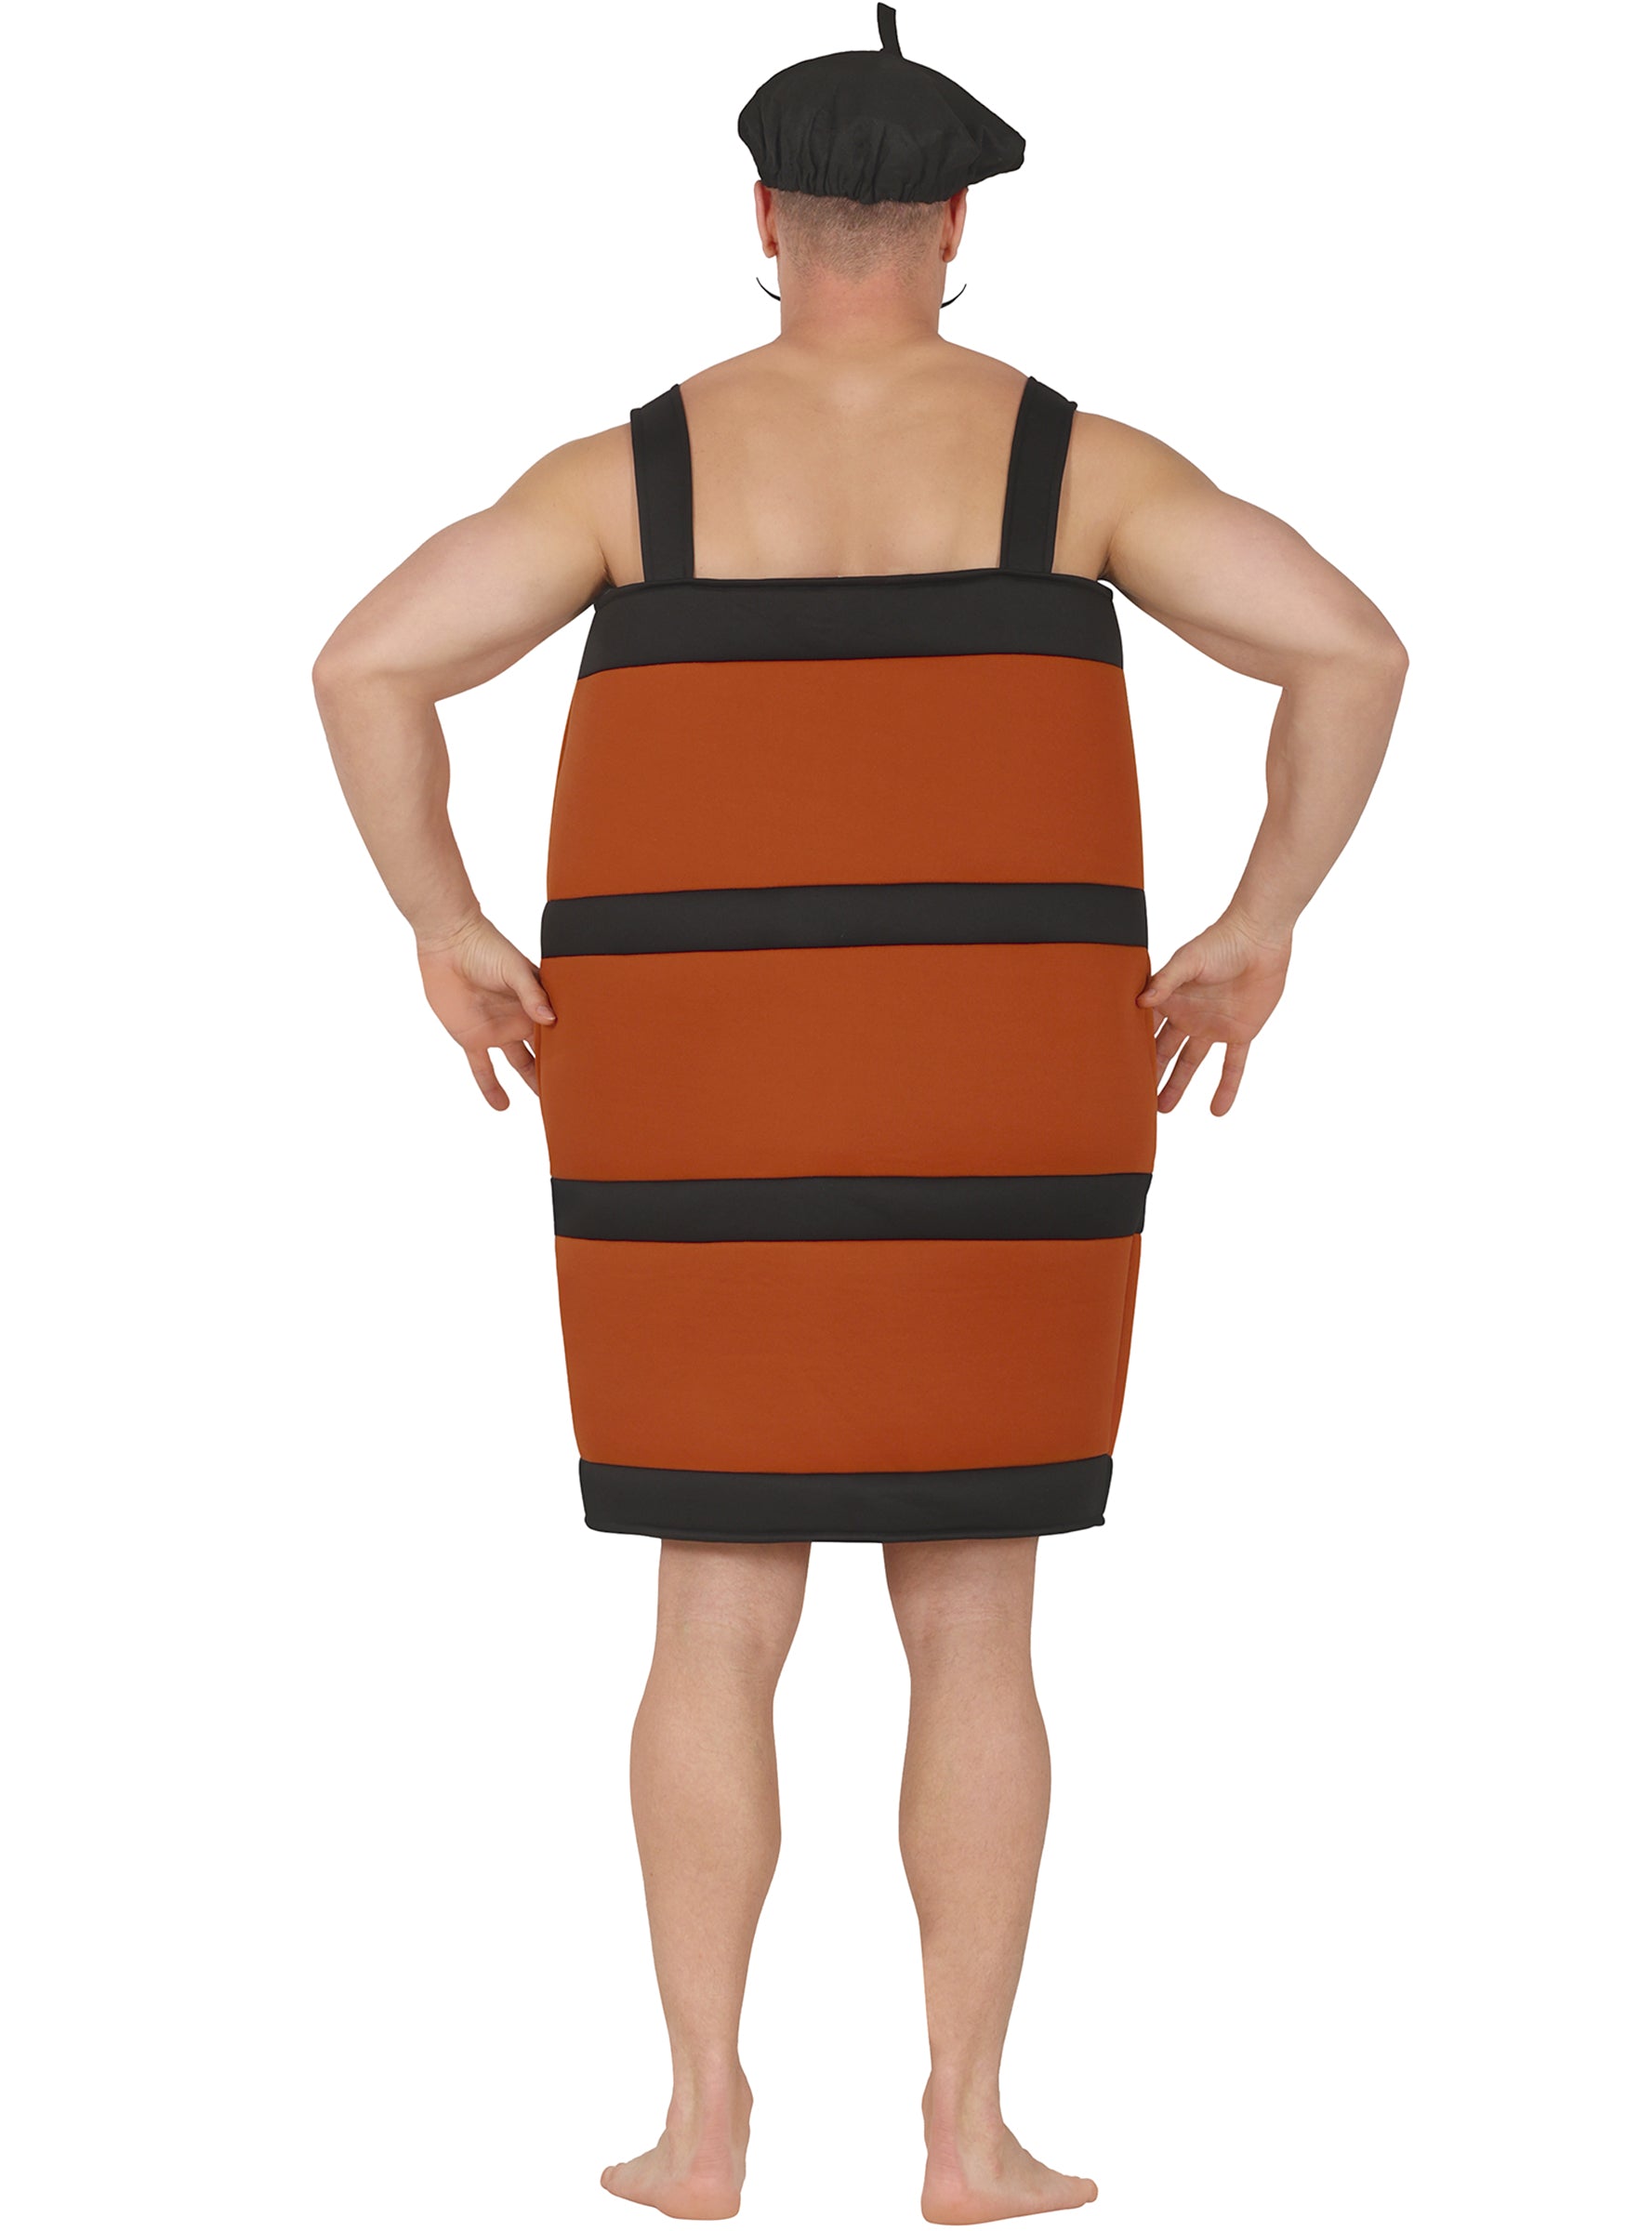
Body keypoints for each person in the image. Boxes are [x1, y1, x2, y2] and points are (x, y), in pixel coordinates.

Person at [314, 7, 1407, 2218]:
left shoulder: (623, 476)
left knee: (712, 1607)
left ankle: (701, 2119)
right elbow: (1350, 649)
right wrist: (1259, 917)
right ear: (956, 227)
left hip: (687, 1103)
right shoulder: (1077, 467)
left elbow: (367, 663)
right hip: (1006, 1095)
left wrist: (442, 918)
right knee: (975, 1612)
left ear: (761, 216)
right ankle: (966, 2132)